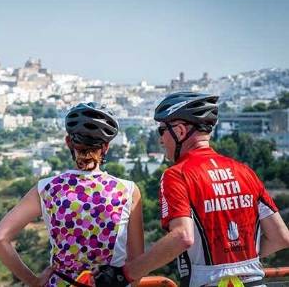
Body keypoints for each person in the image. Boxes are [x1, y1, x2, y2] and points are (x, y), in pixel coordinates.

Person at [94, 92, 289, 287]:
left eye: (162, 130)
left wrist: (124, 274)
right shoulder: (245, 172)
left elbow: (182, 237)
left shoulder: (177, 175)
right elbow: (281, 237)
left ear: (179, 131)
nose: (161, 140)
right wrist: (236, 257)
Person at [0, 102, 144, 286]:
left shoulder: (47, 188)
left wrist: (34, 281)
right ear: (106, 147)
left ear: (68, 142)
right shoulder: (127, 191)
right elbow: (137, 264)